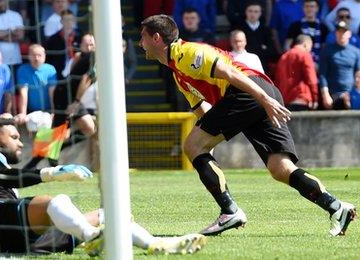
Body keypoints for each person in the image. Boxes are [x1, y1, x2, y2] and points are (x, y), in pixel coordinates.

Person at [139, 14, 356, 236]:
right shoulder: (177, 72)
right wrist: (205, 155)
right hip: (260, 93)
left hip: (251, 91)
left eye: (143, 37)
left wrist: (263, 100)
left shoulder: (187, 53)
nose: (140, 43)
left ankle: (229, 211)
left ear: (157, 38)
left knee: (191, 145)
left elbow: (231, 72)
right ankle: (337, 207)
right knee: (280, 168)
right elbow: (203, 112)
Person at [0, 118, 207, 255]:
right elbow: (11, 178)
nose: (21, 142)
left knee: (109, 215)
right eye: (14, 137)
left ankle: (158, 244)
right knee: (56, 201)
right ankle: (92, 236)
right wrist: (53, 172)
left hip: (18, 238)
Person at [319, 20, 360, 109]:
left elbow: (358, 74)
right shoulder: (327, 50)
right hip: (333, 94)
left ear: (349, 34)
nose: (341, 34)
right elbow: (322, 75)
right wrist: (325, 95)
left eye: (344, 31)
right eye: (339, 31)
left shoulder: (356, 52)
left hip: (352, 94)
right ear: (335, 33)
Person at [14, 44, 57, 126]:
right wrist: (23, 113)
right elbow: (23, 92)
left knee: (44, 132)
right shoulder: (22, 70)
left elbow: (52, 92)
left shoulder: (51, 70)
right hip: (31, 111)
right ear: (29, 56)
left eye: (39, 55)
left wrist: (54, 111)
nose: (36, 58)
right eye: (33, 55)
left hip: (47, 110)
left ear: (44, 56)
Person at [275, 35, 319, 111]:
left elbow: (278, 80)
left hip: (285, 101)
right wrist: (315, 98)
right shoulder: (305, 55)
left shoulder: (283, 57)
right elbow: (312, 79)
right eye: (310, 47)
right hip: (301, 98)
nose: (310, 50)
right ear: (305, 44)